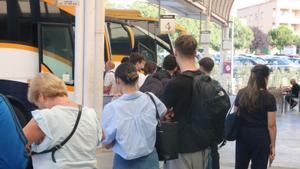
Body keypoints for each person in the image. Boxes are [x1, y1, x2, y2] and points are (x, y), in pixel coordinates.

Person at [23, 72, 101, 169]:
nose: (39, 108)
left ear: (41, 96)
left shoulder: (44, 117)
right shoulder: (91, 114)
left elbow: (14, 145)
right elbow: (102, 137)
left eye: (37, 104)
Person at [101, 63, 167, 169]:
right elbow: (163, 113)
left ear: (118, 80)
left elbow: (107, 144)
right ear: (136, 78)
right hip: (151, 160)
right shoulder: (151, 98)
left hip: (124, 163)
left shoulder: (112, 107)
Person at [161, 35, 210, 169]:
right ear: (195, 53)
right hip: (204, 146)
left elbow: (159, 112)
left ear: (176, 53)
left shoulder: (175, 84)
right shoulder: (207, 80)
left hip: (182, 146)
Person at [234, 65, 277, 169]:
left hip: (243, 134)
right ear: (266, 78)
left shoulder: (241, 93)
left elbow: (236, 114)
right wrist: (273, 146)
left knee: (240, 165)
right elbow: (271, 125)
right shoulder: (269, 97)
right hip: (261, 137)